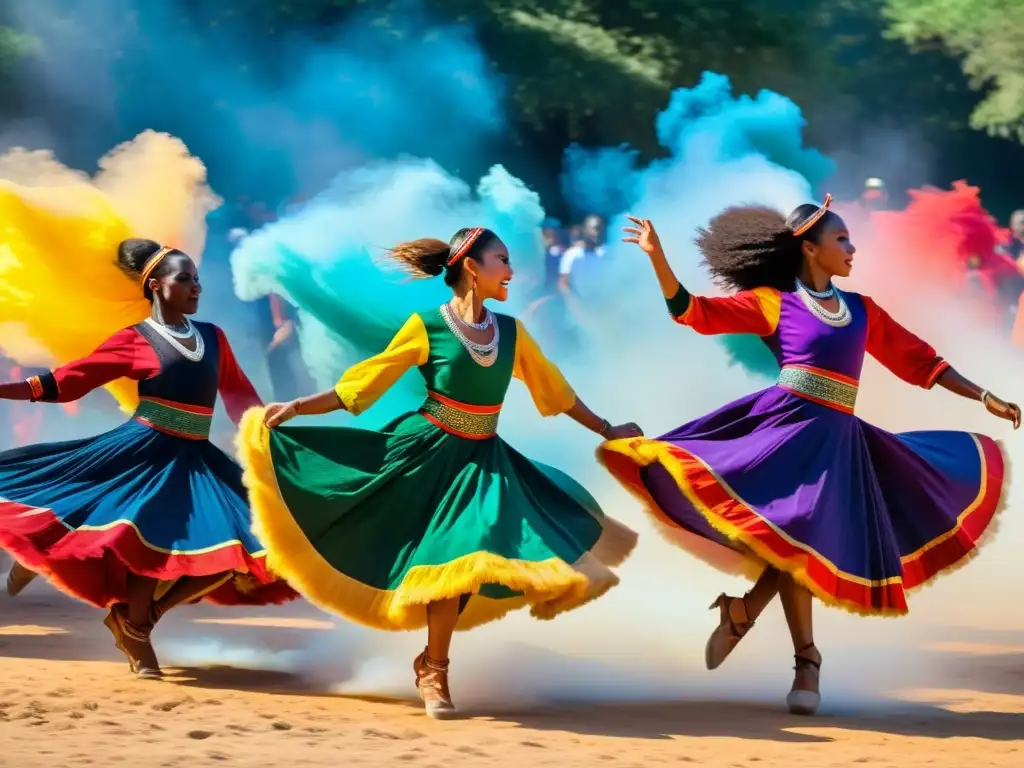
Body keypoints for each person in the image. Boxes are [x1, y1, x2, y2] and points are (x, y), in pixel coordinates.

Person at [600, 199, 1019, 716]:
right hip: (783, 431)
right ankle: (804, 658)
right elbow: (695, 312)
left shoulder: (862, 309)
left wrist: (983, 396)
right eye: (841, 240)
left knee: (803, 537)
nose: (852, 248)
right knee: (800, 532)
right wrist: (657, 259)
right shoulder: (774, 303)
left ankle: (752, 618)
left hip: (839, 441)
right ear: (809, 248)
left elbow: (921, 362)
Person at [236, 226, 641, 719]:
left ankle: (431, 660)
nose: (512, 270)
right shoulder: (426, 326)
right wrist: (298, 407)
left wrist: (607, 428)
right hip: (424, 455)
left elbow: (555, 391)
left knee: (470, 562)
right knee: (451, 566)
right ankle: (435, 669)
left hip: (485, 461)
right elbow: (362, 384)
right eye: (502, 259)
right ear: (472, 266)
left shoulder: (511, 333)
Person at [0, 239, 296, 678]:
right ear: (156, 285)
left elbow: (239, 396)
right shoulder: (135, 340)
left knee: (259, 544)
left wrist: (271, 432)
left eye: (197, 279)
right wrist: (7, 389)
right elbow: (70, 380)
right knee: (149, 534)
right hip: (144, 451)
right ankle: (123, 620)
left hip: (196, 458)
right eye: (185, 279)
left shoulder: (213, 337)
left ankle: (139, 620)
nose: (196, 287)